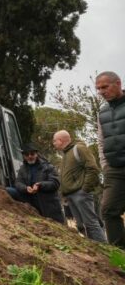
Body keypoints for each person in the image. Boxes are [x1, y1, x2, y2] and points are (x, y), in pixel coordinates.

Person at [52, 130, 107, 242]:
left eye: (54, 141)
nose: (54, 143)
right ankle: (93, 249)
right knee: (81, 226)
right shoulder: (65, 154)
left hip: (80, 194)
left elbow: (92, 169)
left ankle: (105, 249)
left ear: (60, 140)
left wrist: (85, 189)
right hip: (71, 196)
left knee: (91, 224)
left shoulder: (79, 149)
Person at [96, 71, 125, 249]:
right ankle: (120, 255)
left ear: (118, 83)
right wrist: (105, 165)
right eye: (98, 89)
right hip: (114, 169)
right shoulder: (102, 113)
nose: (101, 92)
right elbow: (101, 141)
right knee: (108, 210)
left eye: (104, 87)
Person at [6, 144, 65, 224]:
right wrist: (26, 188)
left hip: (46, 200)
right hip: (30, 198)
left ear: (36, 154)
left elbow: (55, 183)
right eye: (27, 154)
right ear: (24, 156)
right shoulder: (22, 169)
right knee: (8, 190)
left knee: (56, 223)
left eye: (32, 154)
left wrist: (40, 185)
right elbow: (18, 183)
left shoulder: (48, 167)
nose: (30, 156)